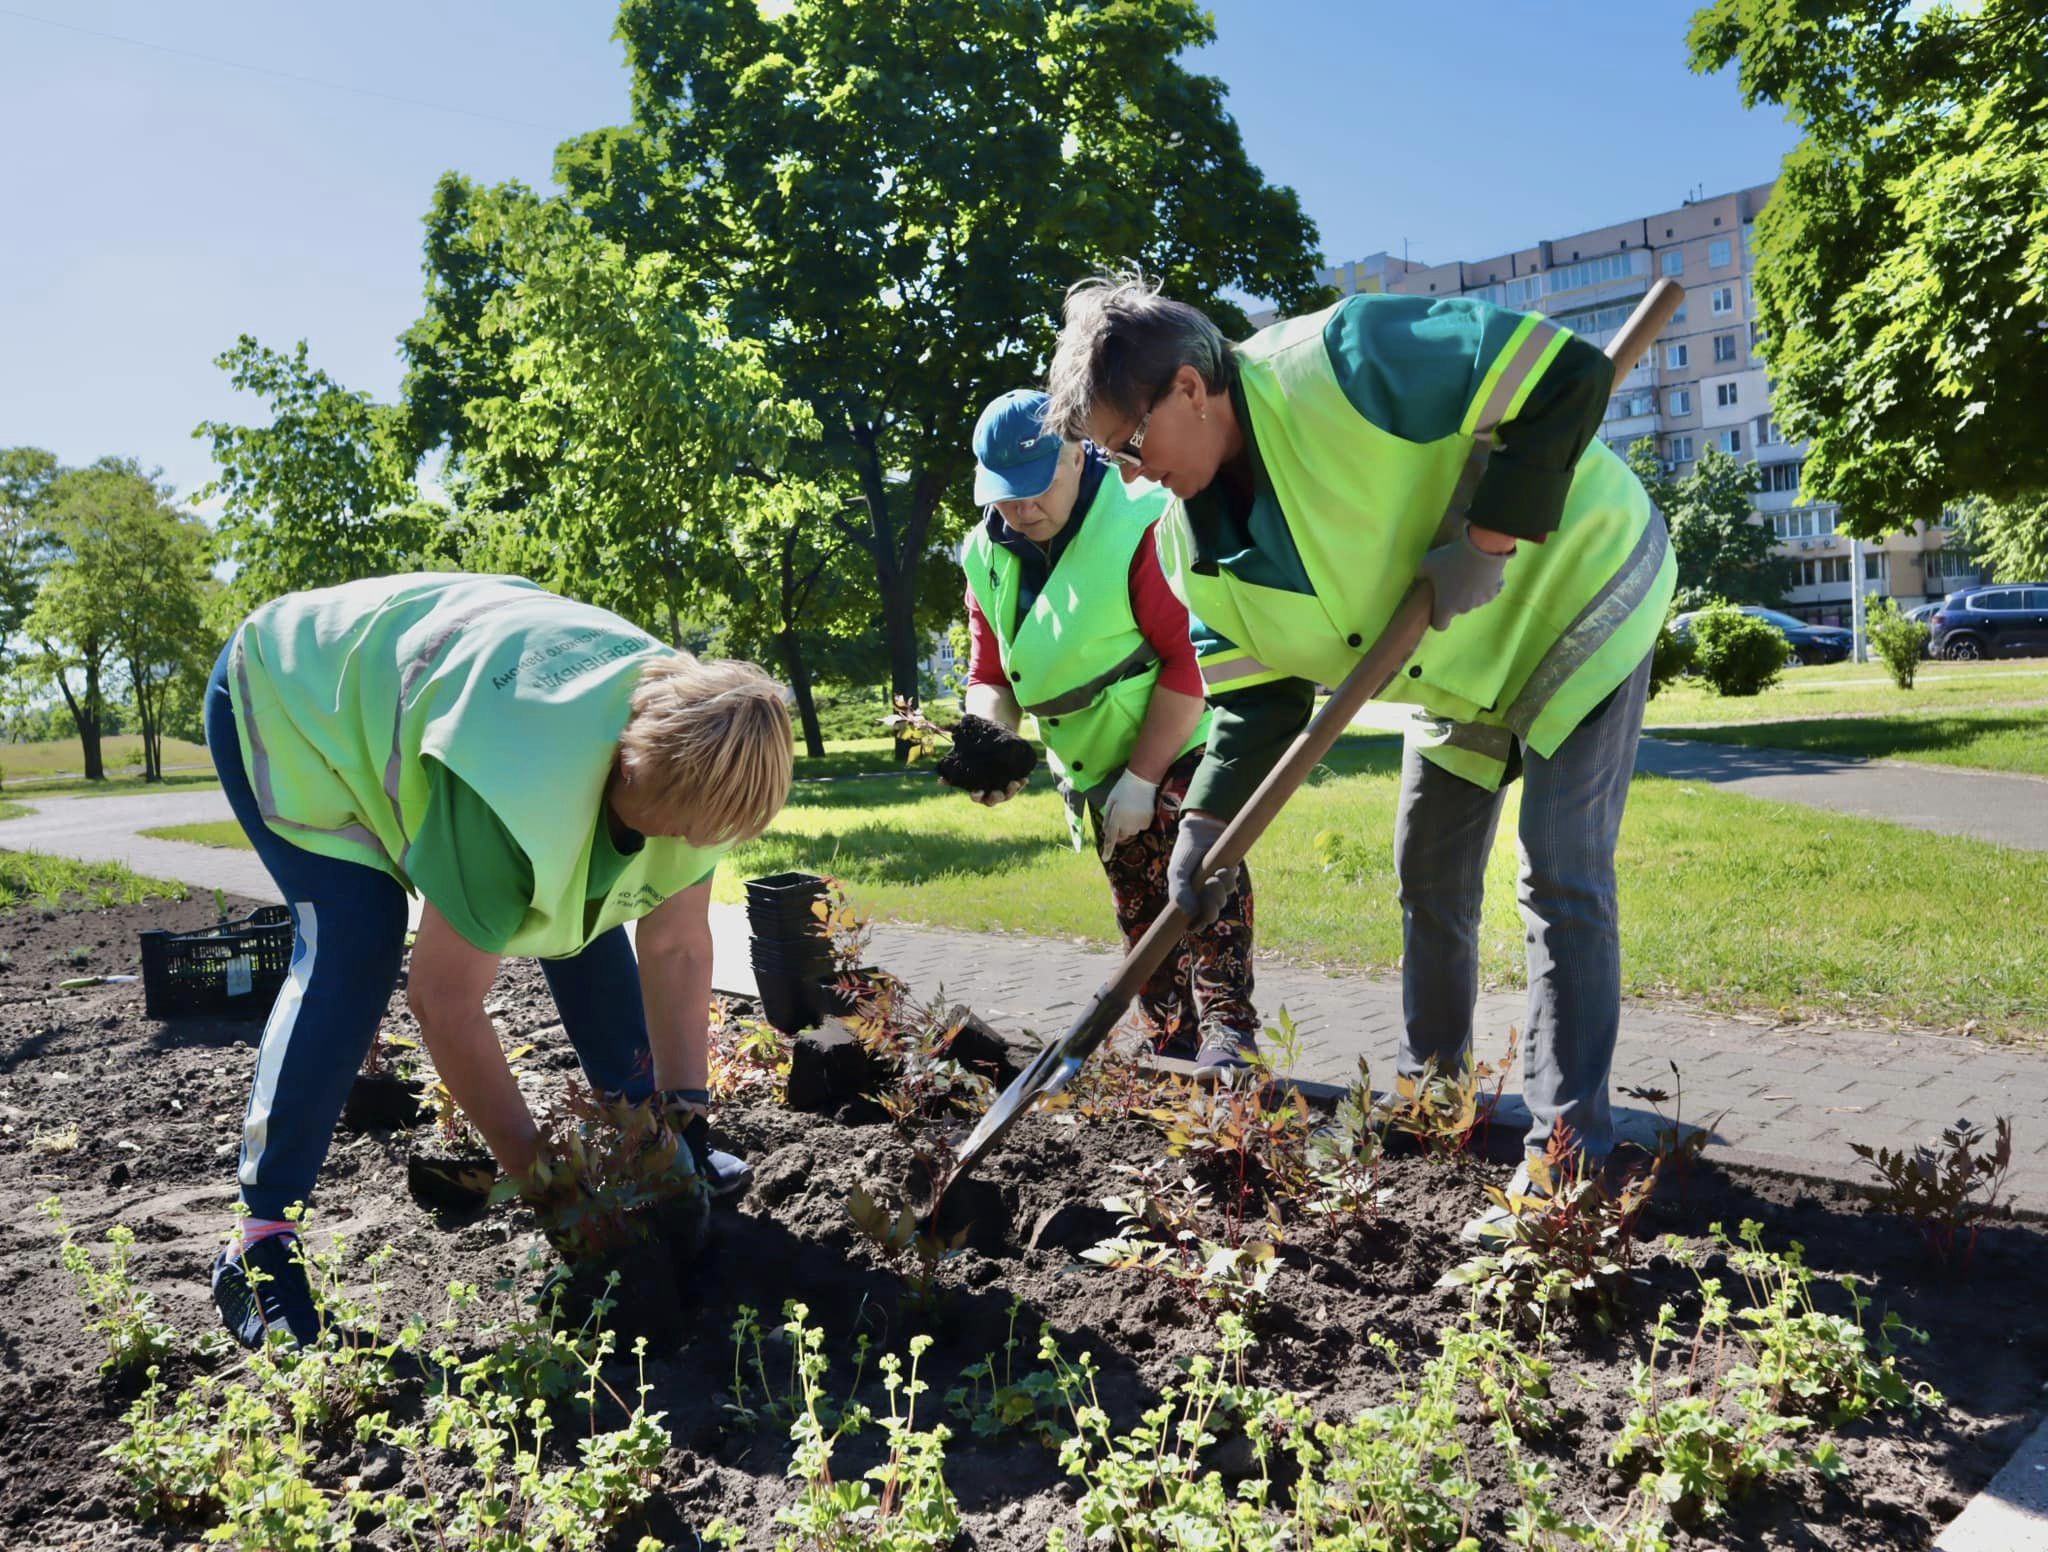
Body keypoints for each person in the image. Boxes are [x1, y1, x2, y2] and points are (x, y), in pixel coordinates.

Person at [1041, 274, 1674, 1237]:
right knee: (1428, 865)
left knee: (1560, 875)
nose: (1128, 475)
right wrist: (1201, 834)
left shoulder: (1349, 358)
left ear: (1187, 389)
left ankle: (1567, 1151)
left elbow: (1569, 376)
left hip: (1572, 592)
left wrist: (1491, 540)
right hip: (1459, 664)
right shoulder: (1190, 550)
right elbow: (1257, 703)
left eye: (1129, 446)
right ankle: (1437, 1097)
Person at [204, 572, 793, 1346]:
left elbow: (678, 944)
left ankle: (655, 1142)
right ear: (627, 768)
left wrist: (682, 1125)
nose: (687, 849)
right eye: (677, 827)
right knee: (357, 939)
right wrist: (544, 1183)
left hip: (457, 672)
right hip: (296, 697)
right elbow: (443, 1002)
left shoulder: (703, 738)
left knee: (582, 902)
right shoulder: (518, 794)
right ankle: (259, 1243)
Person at [953, 389, 1260, 1071]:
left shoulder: (1139, 515)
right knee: (1141, 906)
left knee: (1201, 876)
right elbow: (991, 674)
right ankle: (1171, 1043)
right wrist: (989, 744)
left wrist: (1146, 778)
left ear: (1073, 451)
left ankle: (1228, 1034)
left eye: (1035, 490)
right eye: (1006, 495)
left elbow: (1187, 658)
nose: (1022, 509)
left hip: (1178, 738)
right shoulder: (986, 554)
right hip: (1092, 764)